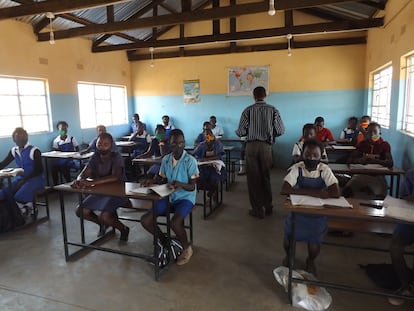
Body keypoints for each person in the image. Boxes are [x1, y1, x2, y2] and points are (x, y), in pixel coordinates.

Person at [281, 139, 340, 275]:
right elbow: (284, 188)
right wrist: (317, 193)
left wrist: (298, 191)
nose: (311, 158)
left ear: (321, 156)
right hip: (298, 209)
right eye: (307, 155)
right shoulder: (298, 168)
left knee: (314, 240)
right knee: (290, 236)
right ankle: (289, 256)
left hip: (317, 212)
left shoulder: (324, 170)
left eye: (315, 156)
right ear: (302, 155)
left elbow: (335, 192)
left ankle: (311, 260)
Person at [140, 129, 199, 266]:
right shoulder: (166, 159)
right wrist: (151, 181)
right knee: (146, 220)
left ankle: (186, 248)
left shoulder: (190, 161)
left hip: (185, 198)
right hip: (167, 195)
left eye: (181, 143)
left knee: (175, 222)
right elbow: (161, 179)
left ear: (184, 143)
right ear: (169, 144)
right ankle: (165, 241)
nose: (178, 146)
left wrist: (181, 184)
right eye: (174, 144)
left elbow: (193, 187)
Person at [236, 86, 285, 218]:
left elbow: (240, 131)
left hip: (251, 146)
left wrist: (249, 132)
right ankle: (268, 206)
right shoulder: (273, 110)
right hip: (266, 147)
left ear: (254, 96)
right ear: (265, 95)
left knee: (253, 179)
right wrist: (270, 134)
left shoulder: (248, 110)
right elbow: (281, 130)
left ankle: (257, 210)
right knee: (265, 177)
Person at [71, 133, 130, 241]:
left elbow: (115, 177)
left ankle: (123, 228)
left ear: (111, 145)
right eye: (99, 144)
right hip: (101, 191)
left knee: (105, 216)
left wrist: (92, 183)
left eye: (105, 144)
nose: (102, 146)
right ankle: (103, 224)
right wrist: (79, 180)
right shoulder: (95, 157)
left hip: (118, 192)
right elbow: (85, 172)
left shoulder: (116, 157)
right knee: (81, 211)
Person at [0, 127, 45, 216]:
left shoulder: (34, 150)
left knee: (19, 195)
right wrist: (22, 179)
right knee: (4, 192)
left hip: (35, 179)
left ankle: (28, 208)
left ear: (26, 137)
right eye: (17, 138)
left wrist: (25, 179)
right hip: (21, 178)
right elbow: (4, 163)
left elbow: (39, 170)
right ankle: (26, 207)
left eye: (22, 137)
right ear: (14, 139)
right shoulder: (14, 151)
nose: (20, 140)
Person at [343, 122, 393, 199]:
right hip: (361, 175)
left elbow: (390, 163)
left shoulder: (384, 145)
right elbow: (349, 160)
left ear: (380, 132)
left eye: (375, 132)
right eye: (369, 132)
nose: (372, 134)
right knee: (346, 191)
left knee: (381, 197)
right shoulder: (363, 144)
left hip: (377, 177)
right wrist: (360, 160)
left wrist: (375, 161)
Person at [388, 169, 414, 305]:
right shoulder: (412, 174)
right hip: (410, 219)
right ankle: (405, 284)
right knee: (395, 246)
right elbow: (404, 198)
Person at [193, 129, 226, 198]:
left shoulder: (217, 143)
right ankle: (211, 190)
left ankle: (213, 190)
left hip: (215, 166)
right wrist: (201, 160)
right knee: (199, 177)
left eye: (210, 134)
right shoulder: (202, 145)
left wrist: (207, 159)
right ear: (204, 137)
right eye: (206, 135)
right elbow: (196, 156)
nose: (209, 136)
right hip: (204, 167)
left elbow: (219, 155)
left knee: (214, 178)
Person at [51, 121, 79, 185]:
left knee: (64, 166)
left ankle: (69, 184)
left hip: (71, 159)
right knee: (53, 167)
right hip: (61, 159)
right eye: (62, 129)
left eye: (65, 129)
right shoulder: (56, 141)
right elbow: (55, 153)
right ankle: (56, 186)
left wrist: (75, 155)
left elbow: (77, 149)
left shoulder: (72, 138)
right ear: (58, 130)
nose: (64, 130)